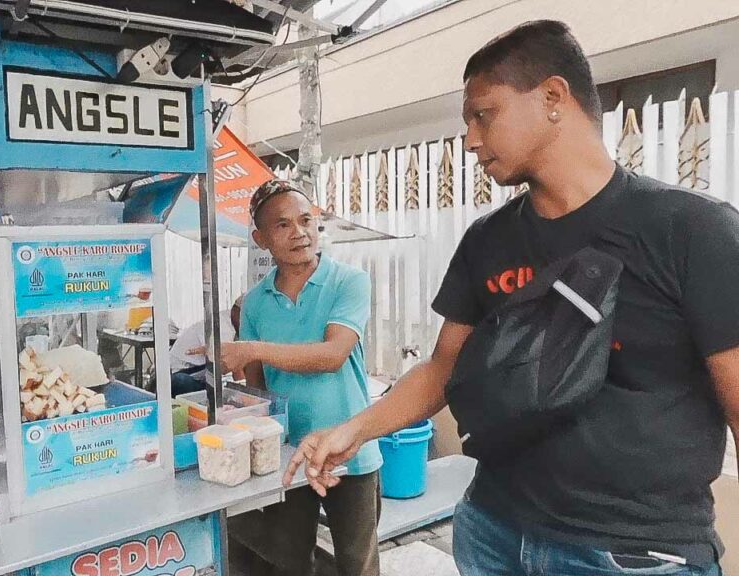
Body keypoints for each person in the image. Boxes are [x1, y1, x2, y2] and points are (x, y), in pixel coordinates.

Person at [285, 20, 739, 576]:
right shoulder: (488, 240)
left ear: (553, 98)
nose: (471, 139)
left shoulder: (692, 231)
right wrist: (353, 430)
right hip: (492, 532)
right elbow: (442, 369)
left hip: (630, 553)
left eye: (484, 114)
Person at [221, 179, 382, 576]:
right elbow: (257, 391)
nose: (300, 233)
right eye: (283, 225)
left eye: (306, 220)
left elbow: (333, 355)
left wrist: (252, 348)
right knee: (290, 562)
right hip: (290, 457)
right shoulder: (255, 303)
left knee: (357, 565)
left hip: (350, 452)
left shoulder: (349, 281)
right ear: (261, 239)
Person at [168, 298, 241, 397]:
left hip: (200, 373)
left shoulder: (233, 321)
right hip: (181, 375)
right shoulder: (222, 327)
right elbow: (235, 367)